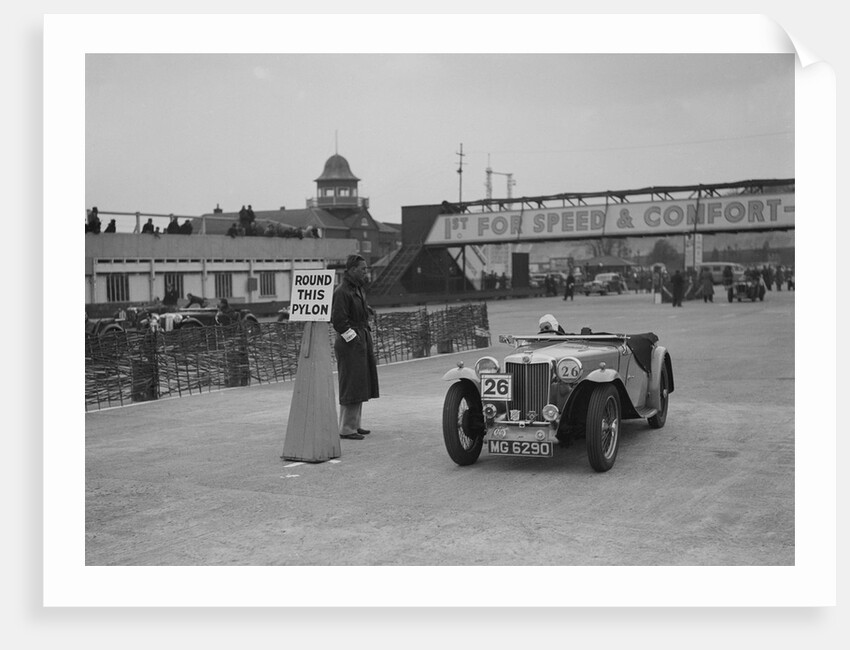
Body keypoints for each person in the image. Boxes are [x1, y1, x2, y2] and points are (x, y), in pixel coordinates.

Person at [331, 254, 379, 440]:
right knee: (351, 384)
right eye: (362, 269)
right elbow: (338, 321)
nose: (366, 272)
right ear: (352, 270)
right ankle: (346, 428)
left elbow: (356, 310)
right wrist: (354, 340)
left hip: (360, 338)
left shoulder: (357, 288)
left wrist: (367, 311)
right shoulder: (342, 291)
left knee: (359, 383)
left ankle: (354, 424)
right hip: (350, 343)